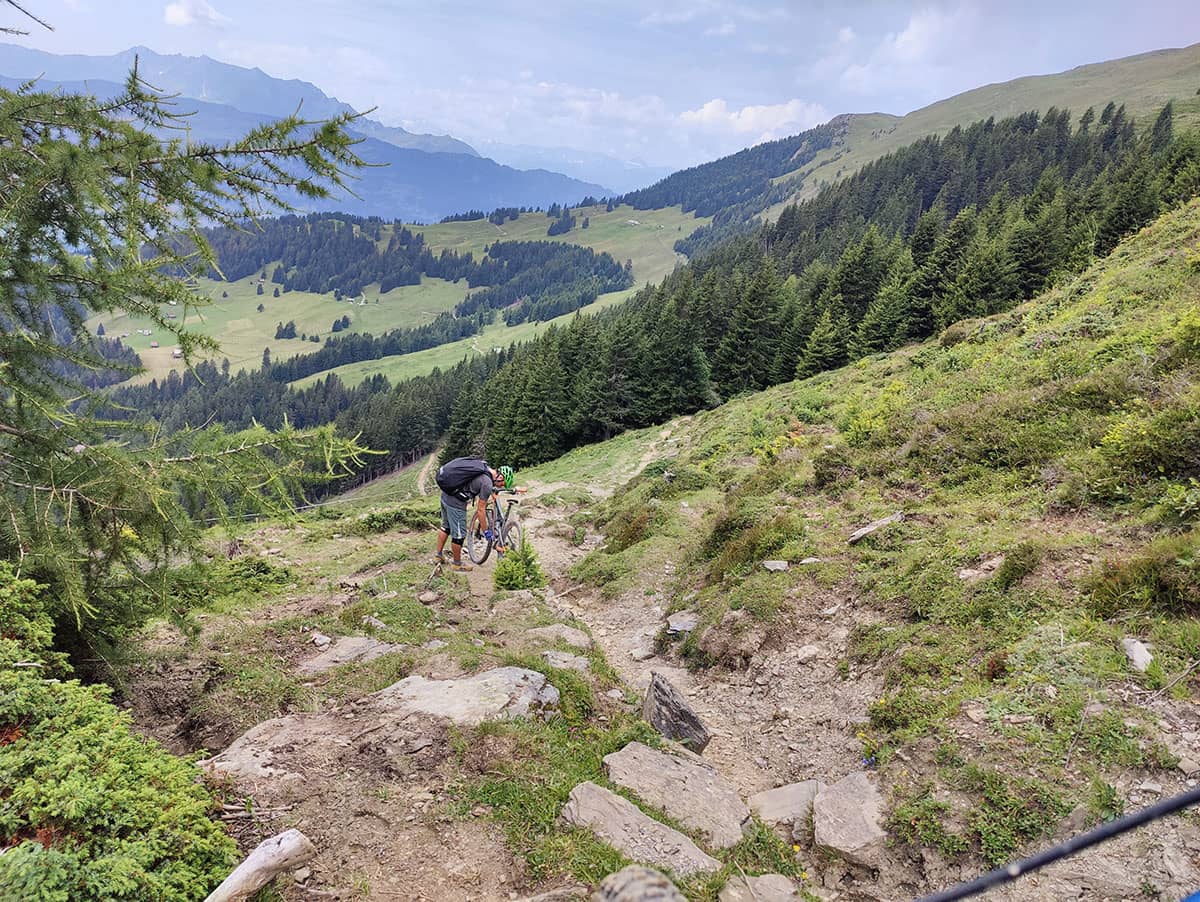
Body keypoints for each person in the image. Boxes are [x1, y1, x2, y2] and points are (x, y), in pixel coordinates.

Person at [435, 461, 516, 571]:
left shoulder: (484, 468)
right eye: (502, 484)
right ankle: (457, 564)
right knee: (459, 535)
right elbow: (480, 510)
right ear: (500, 477)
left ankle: (438, 556)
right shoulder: (487, 483)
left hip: (446, 495)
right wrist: (486, 532)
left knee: (446, 527)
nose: (500, 486)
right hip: (455, 503)